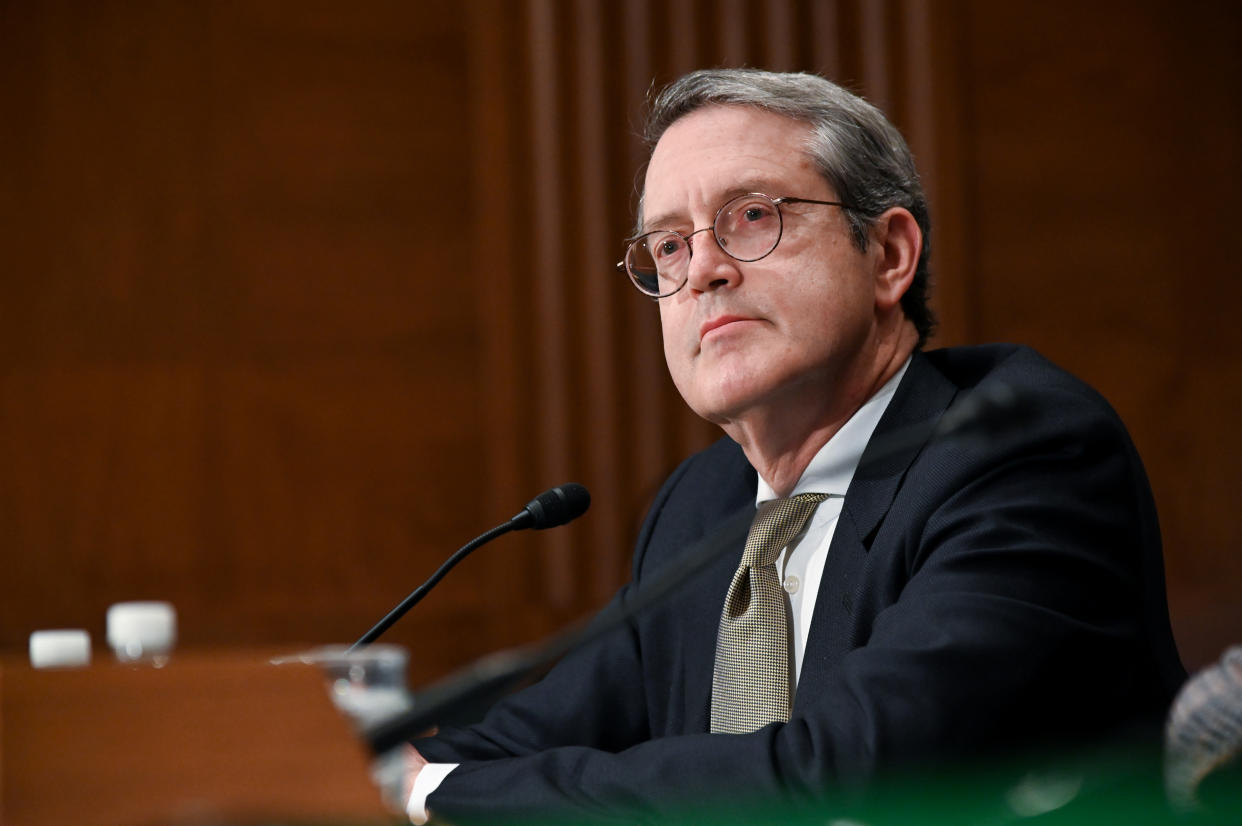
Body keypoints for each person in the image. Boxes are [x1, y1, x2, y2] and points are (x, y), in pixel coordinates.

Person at [401, 68, 1186, 824]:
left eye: (751, 216)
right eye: (668, 246)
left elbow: (842, 774)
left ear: (887, 255)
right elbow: (528, 738)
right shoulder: (700, 507)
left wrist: (434, 792)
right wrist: (351, 759)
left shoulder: (1023, 453)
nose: (702, 269)